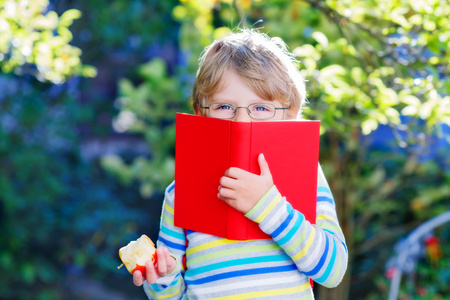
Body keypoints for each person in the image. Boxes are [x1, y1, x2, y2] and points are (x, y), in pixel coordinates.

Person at [132, 28, 348, 299]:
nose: (242, 123)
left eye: (261, 108)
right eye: (224, 107)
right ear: (201, 114)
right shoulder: (181, 192)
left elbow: (333, 270)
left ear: (289, 116)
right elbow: (169, 296)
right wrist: (164, 277)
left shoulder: (306, 175)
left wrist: (268, 206)